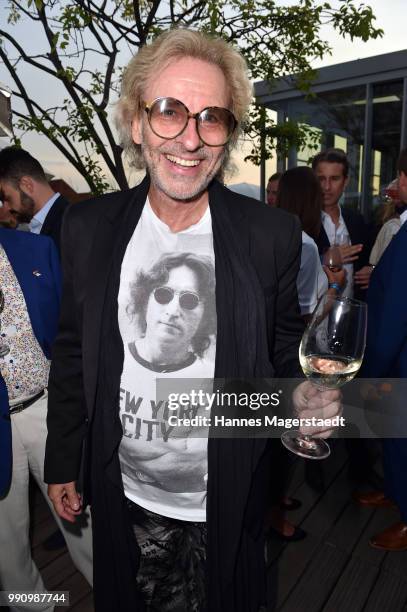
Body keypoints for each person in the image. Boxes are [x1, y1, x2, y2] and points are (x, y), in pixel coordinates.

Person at [44, 29, 341, 612]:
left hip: (226, 492)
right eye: (167, 111)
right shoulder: (87, 229)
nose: (189, 137)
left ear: (227, 133)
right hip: (121, 487)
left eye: (211, 118)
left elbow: (280, 352)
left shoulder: (269, 235)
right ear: (135, 123)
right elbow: (75, 353)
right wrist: (62, 460)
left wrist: (302, 395)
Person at [0, 228, 93, 611]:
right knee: (7, 546)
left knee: (83, 520)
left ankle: (116, 592)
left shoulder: (36, 247)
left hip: (48, 407)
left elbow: (72, 332)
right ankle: (34, 605)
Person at [356, 149, 407, 550]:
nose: (398, 183)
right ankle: (394, 491)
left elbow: (393, 317)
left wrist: (371, 373)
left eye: (402, 175)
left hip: (398, 362)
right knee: (393, 437)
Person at [277, 166, 346, 319]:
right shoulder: (305, 245)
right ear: (312, 200)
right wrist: (335, 286)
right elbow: (308, 318)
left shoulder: (271, 235)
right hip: (298, 340)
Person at [312, 148, 373, 298]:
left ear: (345, 182)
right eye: (321, 179)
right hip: (313, 317)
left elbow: (370, 261)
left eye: (334, 179)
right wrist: (323, 260)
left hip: (350, 315)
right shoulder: (301, 223)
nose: (326, 187)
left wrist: (372, 270)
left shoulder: (357, 221)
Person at [0, 147, 70, 254]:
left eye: (6, 198)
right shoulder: (32, 228)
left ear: (27, 185)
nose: (5, 207)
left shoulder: (71, 226)